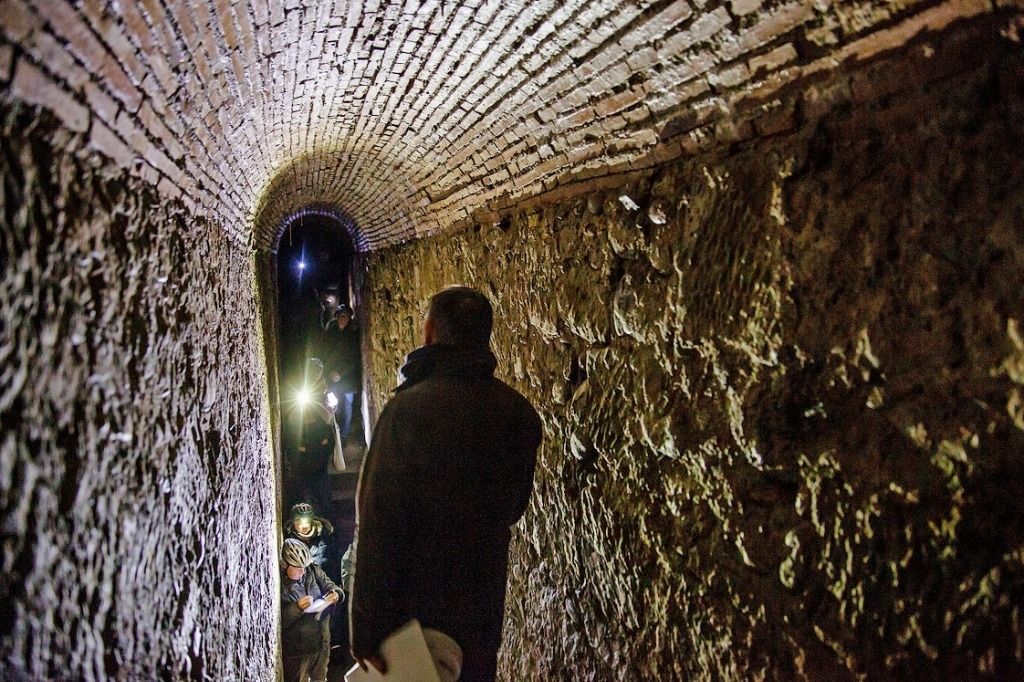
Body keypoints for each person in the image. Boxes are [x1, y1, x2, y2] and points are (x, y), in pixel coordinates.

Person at [349, 286, 542, 682]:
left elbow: (378, 524)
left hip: (412, 611)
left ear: (429, 332)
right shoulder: (518, 414)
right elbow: (513, 506)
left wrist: (365, 631)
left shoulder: (406, 413)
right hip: (480, 604)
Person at [280, 538, 344, 682]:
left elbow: (332, 586)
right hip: (298, 651)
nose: (302, 572)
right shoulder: (280, 585)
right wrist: (297, 608)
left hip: (321, 643)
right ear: (285, 565)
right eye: (297, 568)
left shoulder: (312, 570)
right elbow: (279, 623)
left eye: (304, 567)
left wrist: (336, 594)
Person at [283, 360, 342, 512]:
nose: (318, 377)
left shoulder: (322, 384)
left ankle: (327, 520)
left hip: (319, 451)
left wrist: (321, 405)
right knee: (304, 491)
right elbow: (291, 417)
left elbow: (328, 414)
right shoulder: (298, 384)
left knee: (323, 490)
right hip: (303, 454)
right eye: (315, 374)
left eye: (319, 374)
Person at [317, 304, 363, 446]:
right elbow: (324, 353)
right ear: (336, 317)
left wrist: (341, 373)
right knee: (332, 405)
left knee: (348, 405)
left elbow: (354, 357)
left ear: (349, 318)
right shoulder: (330, 333)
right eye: (340, 316)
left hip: (347, 377)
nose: (343, 319)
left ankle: (343, 436)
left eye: (346, 316)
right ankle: (333, 433)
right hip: (332, 376)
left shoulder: (353, 334)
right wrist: (329, 372)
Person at [285, 502, 337, 577]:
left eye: (306, 521)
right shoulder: (288, 540)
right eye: (299, 522)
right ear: (293, 523)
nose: (304, 526)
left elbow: (333, 562)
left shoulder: (325, 536)